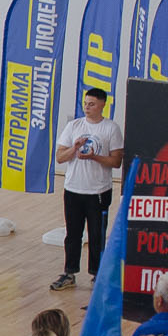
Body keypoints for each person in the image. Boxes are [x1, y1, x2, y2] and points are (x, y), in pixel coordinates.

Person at [51, 86, 123, 291]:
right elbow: (60, 157)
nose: (87, 107)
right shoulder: (74, 126)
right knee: (73, 234)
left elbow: (116, 161)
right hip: (73, 189)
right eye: (85, 103)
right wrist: (74, 148)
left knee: (97, 235)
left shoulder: (111, 129)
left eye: (91, 104)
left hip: (98, 192)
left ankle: (97, 274)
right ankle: (69, 272)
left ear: (102, 105)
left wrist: (94, 157)